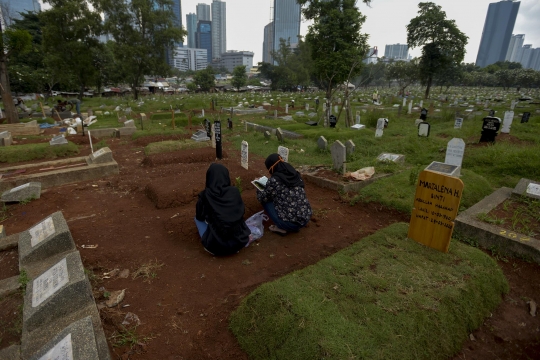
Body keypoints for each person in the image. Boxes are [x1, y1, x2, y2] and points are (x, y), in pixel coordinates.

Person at [195, 163, 251, 256]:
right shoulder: (234, 192)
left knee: (197, 219)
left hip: (216, 248)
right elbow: (241, 213)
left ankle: (211, 239)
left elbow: (199, 216)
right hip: (240, 242)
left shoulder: (206, 195)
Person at [256, 154, 312, 236]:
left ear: (271, 167)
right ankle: (294, 223)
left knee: (266, 200)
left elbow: (261, 197)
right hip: (305, 218)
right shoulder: (294, 173)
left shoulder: (275, 180)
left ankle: (281, 227)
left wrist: (258, 186)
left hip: (289, 224)